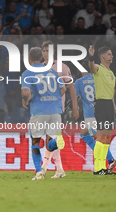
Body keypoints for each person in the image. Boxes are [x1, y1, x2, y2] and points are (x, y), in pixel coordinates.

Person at [21, 47, 66, 180]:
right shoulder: (52, 72)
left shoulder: (28, 73)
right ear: (42, 58)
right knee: (50, 141)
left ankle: (39, 172)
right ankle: (58, 141)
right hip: (55, 111)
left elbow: (25, 92)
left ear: (29, 59)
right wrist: (55, 99)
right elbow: (63, 89)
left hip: (39, 111)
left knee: (35, 141)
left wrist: (26, 100)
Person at [41, 40, 79, 178]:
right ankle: (59, 169)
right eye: (44, 51)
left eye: (48, 51)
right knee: (51, 139)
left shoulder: (62, 67)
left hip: (57, 108)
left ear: (53, 52)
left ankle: (43, 169)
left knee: (51, 137)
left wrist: (75, 107)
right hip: (43, 109)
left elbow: (71, 88)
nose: (45, 54)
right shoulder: (39, 68)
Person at [75, 61, 116, 172]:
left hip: (91, 115)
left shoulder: (79, 82)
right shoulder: (99, 78)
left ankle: (109, 160)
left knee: (99, 139)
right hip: (103, 111)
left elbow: (73, 95)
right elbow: (111, 91)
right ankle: (105, 162)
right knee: (84, 134)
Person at [89, 46, 116, 175]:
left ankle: (103, 168)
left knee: (107, 137)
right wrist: (91, 57)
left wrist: (114, 106)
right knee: (101, 136)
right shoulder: (98, 69)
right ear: (102, 56)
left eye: (111, 54)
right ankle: (97, 168)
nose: (112, 56)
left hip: (109, 106)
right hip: (101, 105)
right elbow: (92, 67)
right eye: (109, 54)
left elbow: (112, 92)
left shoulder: (111, 73)